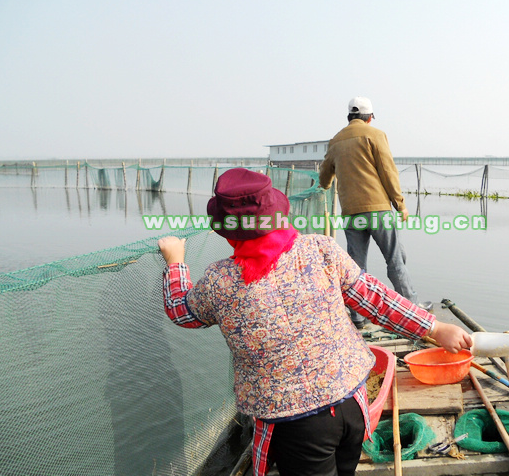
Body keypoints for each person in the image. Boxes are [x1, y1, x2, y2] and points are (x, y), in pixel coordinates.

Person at [158, 167, 472, 476]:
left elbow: (181, 312)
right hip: (352, 403)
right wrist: (435, 328)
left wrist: (175, 263)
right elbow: (376, 299)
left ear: (226, 230)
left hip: (296, 424)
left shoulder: (219, 281)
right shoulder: (319, 249)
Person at [319, 97, 418, 329]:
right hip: (378, 209)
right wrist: (400, 204)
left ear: (349, 117)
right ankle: (411, 310)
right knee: (395, 260)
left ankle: (357, 317)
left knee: (356, 267)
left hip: (351, 212)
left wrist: (325, 185)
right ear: (370, 118)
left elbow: (325, 175)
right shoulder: (376, 135)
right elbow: (388, 171)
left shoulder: (335, 140)